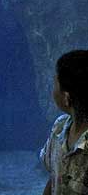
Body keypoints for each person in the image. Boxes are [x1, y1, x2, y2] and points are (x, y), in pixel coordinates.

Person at [41, 50, 88, 195]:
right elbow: (54, 177)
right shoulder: (59, 127)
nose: (52, 90)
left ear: (67, 97)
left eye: (55, 84)